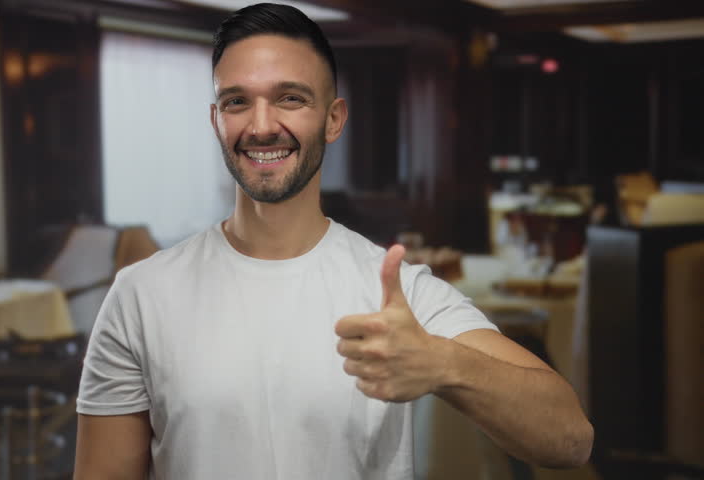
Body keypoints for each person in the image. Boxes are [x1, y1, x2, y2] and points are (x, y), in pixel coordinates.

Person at [73, 3, 594, 479]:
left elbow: (571, 439)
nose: (261, 126)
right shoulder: (141, 294)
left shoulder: (396, 293)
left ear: (333, 119)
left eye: (290, 98)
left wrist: (444, 364)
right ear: (216, 120)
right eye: (237, 101)